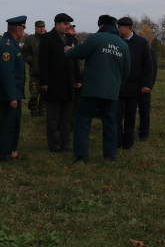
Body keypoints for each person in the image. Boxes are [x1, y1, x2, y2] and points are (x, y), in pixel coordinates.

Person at [65, 15, 130, 163]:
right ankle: (110, 156)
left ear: (101, 25)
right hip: (111, 91)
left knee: (83, 121)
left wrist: (69, 51)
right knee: (110, 124)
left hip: (92, 90)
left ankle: (82, 156)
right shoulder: (123, 45)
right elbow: (126, 71)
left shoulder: (95, 38)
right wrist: (116, 85)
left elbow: (77, 53)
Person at [38, 13, 82, 153]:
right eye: (65, 24)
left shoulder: (70, 38)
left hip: (68, 84)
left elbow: (74, 61)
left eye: (68, 24)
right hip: (53, 84)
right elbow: (42, 62)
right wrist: (44, 82)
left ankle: (65, 144)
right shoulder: (47, 38)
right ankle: (55, 146)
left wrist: (78, 79)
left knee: (66, 119)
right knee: (53, 119)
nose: (67, 26)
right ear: (57, 24)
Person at [115, 17, 153, 151]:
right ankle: (117, 142)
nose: (117, 29)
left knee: (130, 117)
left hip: (134, 87)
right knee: (117, 116)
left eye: (119, 27)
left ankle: (128, 143)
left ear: (127, 28)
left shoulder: (142, 42)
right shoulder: (116, 41)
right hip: (118, 86)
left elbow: (148, 65)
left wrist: (147, 84)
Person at [0, 16, 26, 162]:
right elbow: (7, 74)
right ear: (18, 30)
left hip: (15, 93)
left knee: (14, 123)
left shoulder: (12, 43)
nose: (24, 32)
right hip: (9, 95)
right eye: (23, 29)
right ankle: (3, 153)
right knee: (7, 124)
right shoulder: (7, 46)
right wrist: (12, 97)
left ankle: (11, 150)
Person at [22, 21, 47, 118]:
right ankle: (33, 112)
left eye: (43, 27)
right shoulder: (30, 39)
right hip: (34, 73)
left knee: (44, 96)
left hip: (46, 73)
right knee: (33, 95)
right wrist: (31, 60)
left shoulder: (49, 38)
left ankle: (42, 112)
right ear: (35, 28)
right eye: (39, 27)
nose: (41, 28)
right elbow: (25, 52)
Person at [138, 46, 158, 142]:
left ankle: (144, 132)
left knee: (144, 110)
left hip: (144, 86)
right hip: (130, 86)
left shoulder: (150, 51)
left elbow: (153, 70)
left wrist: (149, 85)